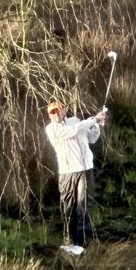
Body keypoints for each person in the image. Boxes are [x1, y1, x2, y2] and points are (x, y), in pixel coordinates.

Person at [44, 98, 108, 256]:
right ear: (50, 116)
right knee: (67, 207)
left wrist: (98, 125)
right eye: (53, 113)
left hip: (85, 169)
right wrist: (92, 119)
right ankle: (68, 241)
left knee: (83, 205)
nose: (56, 115)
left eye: (58, 111)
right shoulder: (52, 129)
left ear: (64, 110)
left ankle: (81, 243)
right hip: (67, 172)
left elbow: (91, 138)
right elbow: (72, 131)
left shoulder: (76, 121)